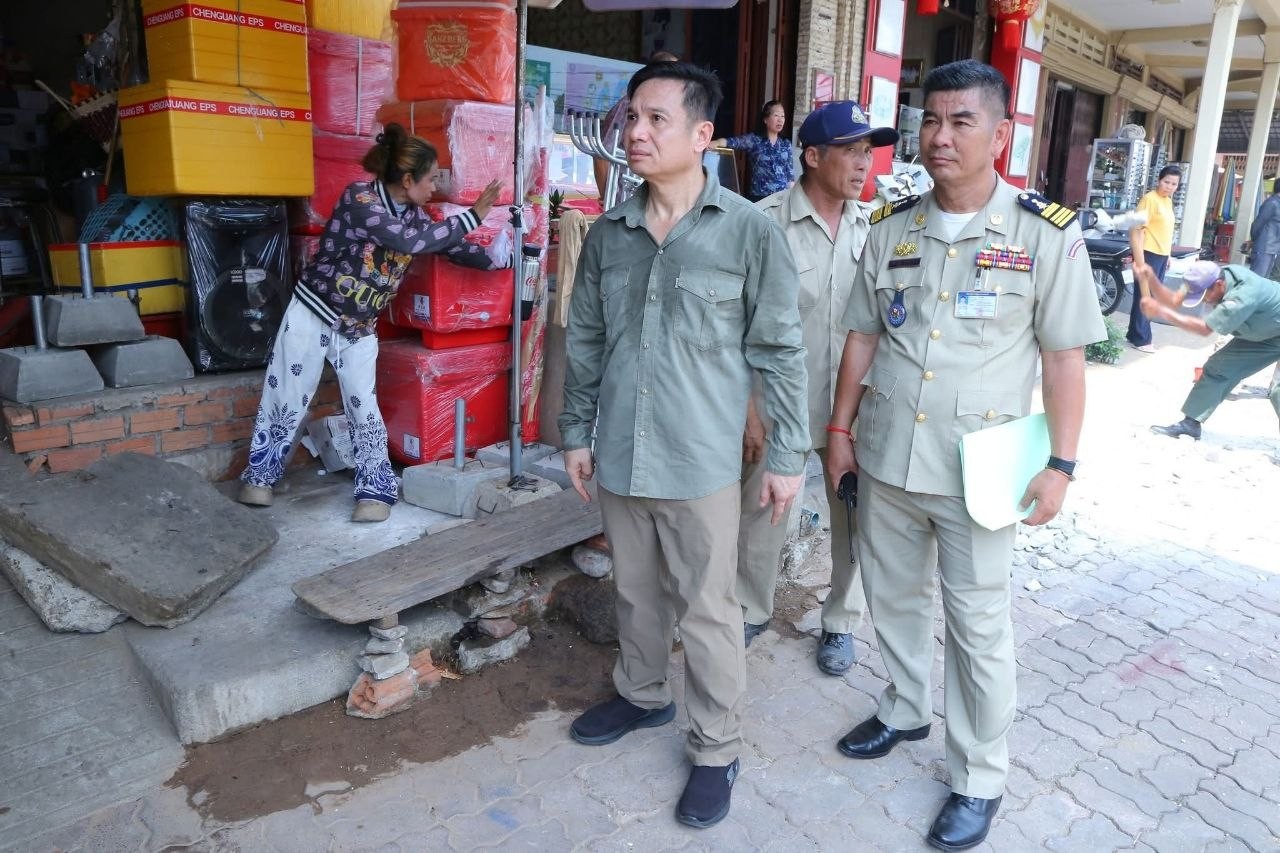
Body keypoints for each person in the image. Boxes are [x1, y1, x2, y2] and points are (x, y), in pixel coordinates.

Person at [826, 59, 1104, 850]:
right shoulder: (892, 226)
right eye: (931, 119)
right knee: (894, 598)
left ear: (1000, 134)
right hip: (888, 455)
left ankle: (979, 773)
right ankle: (906, 706)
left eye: (961, 121)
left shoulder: (1044, 232)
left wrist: (1062, 465)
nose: (940, 136)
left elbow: (1064, 360)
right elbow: (862, 336)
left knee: (978, 625)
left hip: (979, 468)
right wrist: (839, 432)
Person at [559, 61, 809, 829]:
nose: (635, 132)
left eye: (655, 118)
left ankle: (717, 747)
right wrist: (575, 432)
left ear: (702, 135)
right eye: (631, 116)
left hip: (701, 460)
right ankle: (642, 696)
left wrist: (788, 457)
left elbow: (780, 349)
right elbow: (587, 340)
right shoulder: (611, 234)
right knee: (635, 591)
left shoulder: (749, 231)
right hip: (622, 452)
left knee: (707, 609)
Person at [237, 124, 503, 522]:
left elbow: (444, 243)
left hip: (360, 324)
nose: (435, 187)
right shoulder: (359, 199)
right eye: (431, 178)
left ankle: (375, 491)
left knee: (364, 407)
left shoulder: (415, 217)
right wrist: (474, 215)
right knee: (288, 396)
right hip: (313, 311)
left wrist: (500, 257)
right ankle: (259, 478)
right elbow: (408, 242)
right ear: (408, 179)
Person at [739, 100, 898, 676]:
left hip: (851, 410)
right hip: (776, 405)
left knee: (853, 517)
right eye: (850, 151)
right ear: (812, 156)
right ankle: (749, 608)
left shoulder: (880, 227)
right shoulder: (762, 222)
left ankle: (840, 621)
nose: (863, 164)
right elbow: (734, 324)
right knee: (761, 511)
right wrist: (748, 409)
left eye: (868, 152)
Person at [1144, 260, 1280, 440]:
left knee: (1278, 391)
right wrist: (1151, 278)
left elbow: (1204, 329)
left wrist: (1162, 313)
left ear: (1219, 284)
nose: (1205, 300)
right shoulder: (1202, 277)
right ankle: (1191, 425)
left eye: (1205, 295)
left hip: (1271, 329)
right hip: (1265, 332)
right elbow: (1174, 300)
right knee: (1219, 367)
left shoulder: (1243, 295)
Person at [592, 50, 681, 206]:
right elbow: (602, 155)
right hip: (623, 201)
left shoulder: (666, 108)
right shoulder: (630, 105)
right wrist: (609, 201)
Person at [1126, 165, 1182, 353]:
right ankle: (1142, 339)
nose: (1169, 186)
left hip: (1160, 255)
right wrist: (1139, 259)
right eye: (1166, 182)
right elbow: (1136, 230)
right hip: (1147, 253)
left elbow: (1165, 231)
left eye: (1174, 184)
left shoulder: (1167, 201)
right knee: (1145, 295)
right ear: (1159, 180)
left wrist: (1168, 254)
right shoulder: (1149, 200)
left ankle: (1134, 334)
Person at [711, 100, 796, 202]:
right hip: (759, 197)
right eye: (776, 115)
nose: (780, 120)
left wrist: (792, 197)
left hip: (781, 198)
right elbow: (732, 142)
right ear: (765, 119)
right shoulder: (754, 140)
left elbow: (790, 174)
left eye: (782, 116)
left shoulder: (786, 144)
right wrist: (716, 143)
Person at [1247, 181, 1280, 277]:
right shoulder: (1272, 203)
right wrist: (1254, 240)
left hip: (1272, 248)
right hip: (1264, 247)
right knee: (1256, 278)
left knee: (1263, 280)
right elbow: (1258, 223)